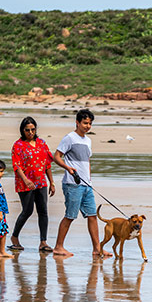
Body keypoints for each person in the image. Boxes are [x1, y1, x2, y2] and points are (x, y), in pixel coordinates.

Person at [52, 109, 111, 258]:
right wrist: (68, 168)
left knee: (92, 216)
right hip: (72, 184)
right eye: (85, 123)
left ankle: (97, 248)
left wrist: (90, 180)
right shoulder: (69, 138)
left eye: (90, 123)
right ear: (77, 123)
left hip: (87, 185)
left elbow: (87, 162)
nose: (87, 126)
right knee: (70, 216)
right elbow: (57, 157)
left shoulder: (88, 141)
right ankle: (58, 247)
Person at [9, 116, 56, 252]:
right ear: (22, 130)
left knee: (43, 211)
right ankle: (15, 237)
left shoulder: (41, 143)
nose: (30, 132)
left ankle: (43, 242)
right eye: (27, 130)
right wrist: (26, 180)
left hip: (41, 182)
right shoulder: (18, 145)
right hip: (25, 183)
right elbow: (16, 166)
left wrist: (51, 182)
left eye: (33, 129)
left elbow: (47, 164)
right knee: (27, 211)